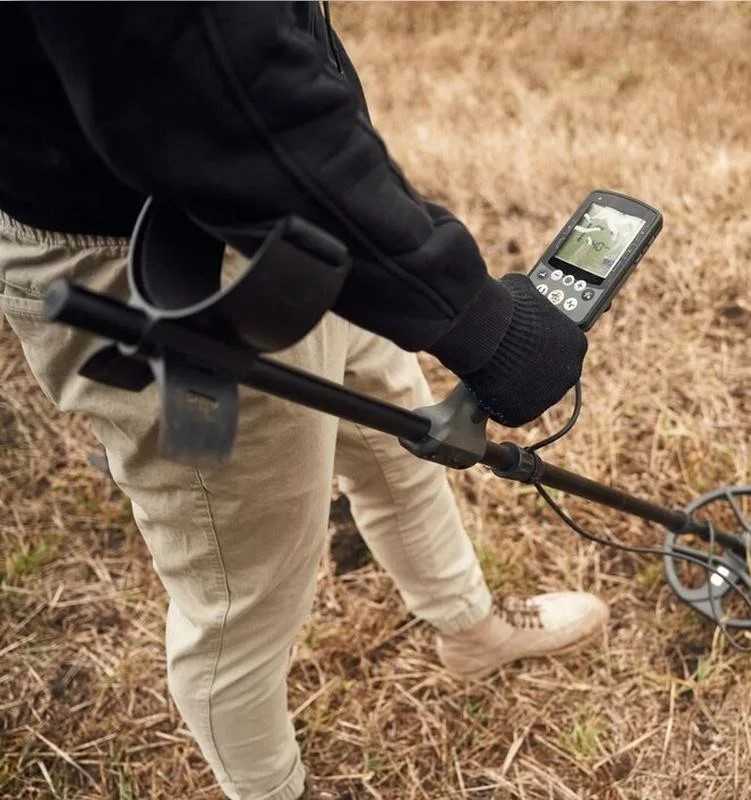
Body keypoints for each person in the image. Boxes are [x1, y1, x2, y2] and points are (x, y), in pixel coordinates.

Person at [0, 4, 609, 799]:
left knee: (395, 439)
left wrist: (361, 221)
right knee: (239, 598)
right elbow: (214, 95)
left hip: (299, 221)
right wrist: (480, 322)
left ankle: (470, 629)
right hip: (166, 267)